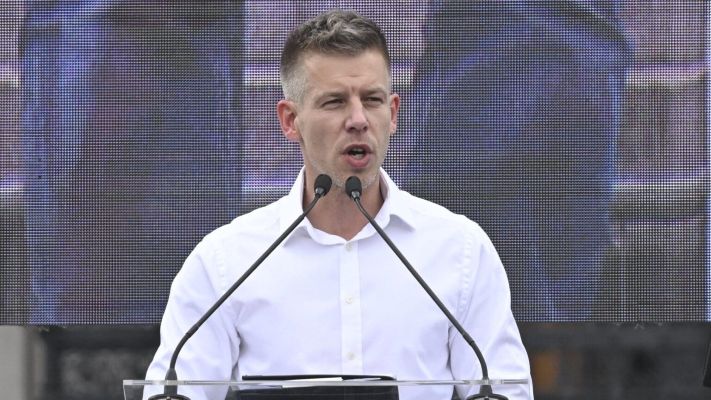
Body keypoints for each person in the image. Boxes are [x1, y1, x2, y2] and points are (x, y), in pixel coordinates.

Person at [146, 9, 532, 400]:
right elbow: (175, 391)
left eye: (373, 100)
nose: (358, 119)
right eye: (335, 102)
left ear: (393, 114)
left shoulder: (460, 250)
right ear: (290, 120)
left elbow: (505, 390)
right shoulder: (225, 262)